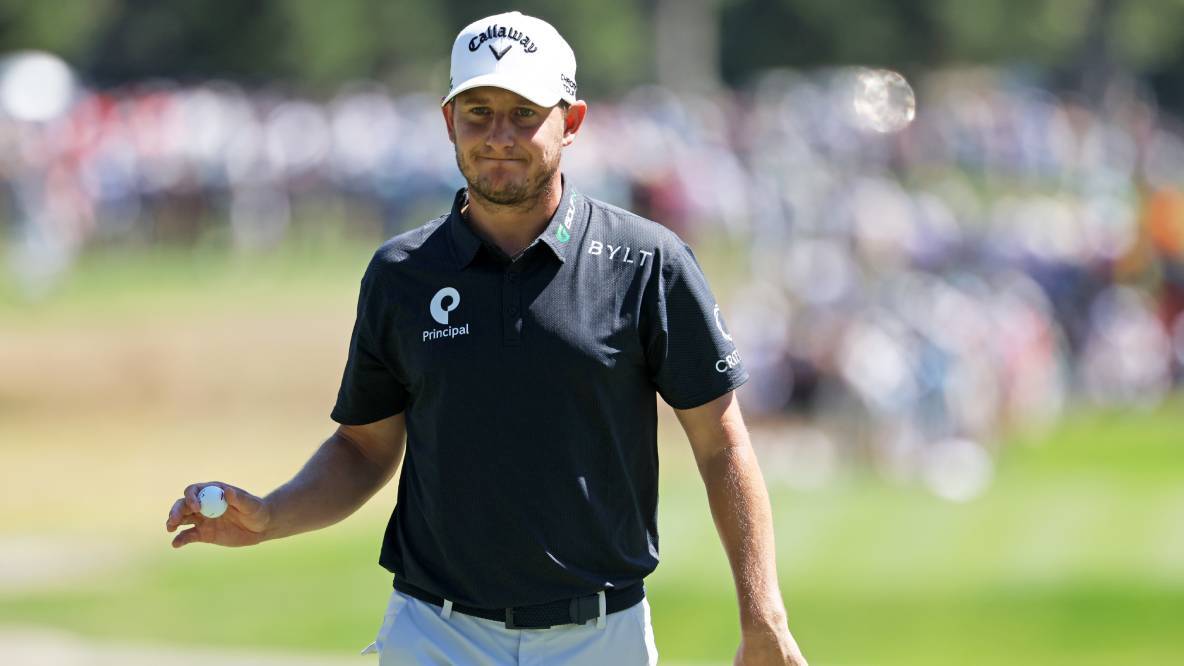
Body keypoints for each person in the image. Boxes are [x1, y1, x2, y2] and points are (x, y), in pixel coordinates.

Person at [164, 10, 808, 666]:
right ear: (449, 122)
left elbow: (722, 444)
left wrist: (763, 617)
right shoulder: (401, 273)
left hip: (601, 636)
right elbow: (363, 447)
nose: (499, 136)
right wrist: (272, 515)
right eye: (478, 113)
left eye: (524, 114)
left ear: (572, 122)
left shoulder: (648, 262)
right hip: (435, 634)